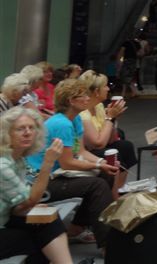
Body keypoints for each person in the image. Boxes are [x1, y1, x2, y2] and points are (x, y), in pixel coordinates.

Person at [26, 79, 117, 247]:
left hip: (55, 174)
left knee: (106, 175)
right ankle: (108, 245)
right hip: (41, 181)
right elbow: (68, 163)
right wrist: (98, 165)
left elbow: (80, 151)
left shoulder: (74, 119)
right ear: (70, 101)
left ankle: (76, 228)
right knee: (97, 186)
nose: (87, 99)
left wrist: (102, 162)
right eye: (82, 96)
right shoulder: (62, 124)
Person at [0, 107, 71, 264]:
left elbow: (19, 205)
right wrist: (48, 163)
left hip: (5, 219)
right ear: (7, 134)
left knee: (46, 222)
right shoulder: (2, 165)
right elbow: (30, 199)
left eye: (31, 128)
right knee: (40, 239)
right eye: (20, 129)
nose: (27, 132)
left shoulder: (18, 160)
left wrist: (28, 207)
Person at [78, 70, 136, 198]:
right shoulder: (83, 113)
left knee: (126, 146)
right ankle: (112, 197)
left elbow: (111, 139)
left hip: (99, 146)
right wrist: (109, 118)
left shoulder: (98, 106)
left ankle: (118, 189)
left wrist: (114, 118)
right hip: (87, 151)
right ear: (96, 91)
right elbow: (98, 143)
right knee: (115, 156)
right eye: (105, 86)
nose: (108, 88)